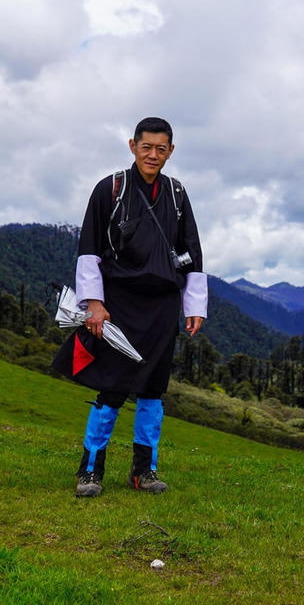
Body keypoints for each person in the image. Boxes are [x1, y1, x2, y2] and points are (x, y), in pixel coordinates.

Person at [71, 117, 206, 497]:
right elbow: (89, 248)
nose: (153, 155)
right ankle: (90, 471)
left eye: (161, 149)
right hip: (119, 304)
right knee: (111, 386)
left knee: (152, 391)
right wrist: (94, 303)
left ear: (171, 151)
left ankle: (144, 471)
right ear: (133, 146)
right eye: (146, 147)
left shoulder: (177, 195)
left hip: (162, 305)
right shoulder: (110, 189)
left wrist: (194, 306)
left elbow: (192, 251)